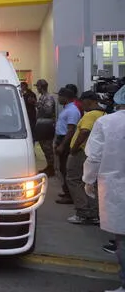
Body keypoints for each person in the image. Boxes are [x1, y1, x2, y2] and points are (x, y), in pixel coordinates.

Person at [83, 85, 125, 292]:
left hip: (117, 189)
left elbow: (95, 156)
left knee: (123, 239)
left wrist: (88, 180)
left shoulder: (107, 123)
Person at [66, 91, 103, 225]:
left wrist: (73, 149)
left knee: (74, 179)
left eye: (82, 102)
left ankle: (82, 212)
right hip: (93, 153)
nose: (81, 105)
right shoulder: (103, 114)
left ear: (89, 100)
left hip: (81, 152)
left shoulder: (91, 115)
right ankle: (93, 213)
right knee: (90, 182)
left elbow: (85, 131)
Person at [55, 87, 81, 205]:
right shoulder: (67, 109)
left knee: (66, 169)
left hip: (65, 140)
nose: (58, 98)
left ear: (66, 97)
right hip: (61, 138)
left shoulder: (72, 111)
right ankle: (66, 191)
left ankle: (69, 195)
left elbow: (71, 130)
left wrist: (62, 145)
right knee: (62, 167)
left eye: (60, 96)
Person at [35, 79, 56, 177]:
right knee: (44, 147)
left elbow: (48, 111)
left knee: (48, 147)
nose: (37, 88)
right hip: (42, 124)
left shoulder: (48, 97)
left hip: (47, 125)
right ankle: (49, 166)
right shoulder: (42, 96)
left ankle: (52, 168)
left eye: (37, 86)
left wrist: (37, 105)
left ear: (41, 87)